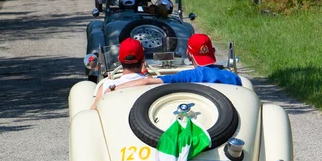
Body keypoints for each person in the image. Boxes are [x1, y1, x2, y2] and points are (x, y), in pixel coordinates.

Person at [106, 34, 242, 93]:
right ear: (213, 51)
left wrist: (114, 88)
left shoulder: (187, 76)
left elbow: (145, 82)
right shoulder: (233, 78)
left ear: (189, 54)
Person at [91, 38, 146, 109]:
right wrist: (146, 74)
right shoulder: (155, 82)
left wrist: (109, 81)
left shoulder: (107, 85)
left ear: (119, 59)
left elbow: (93, 110)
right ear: (143, 59)